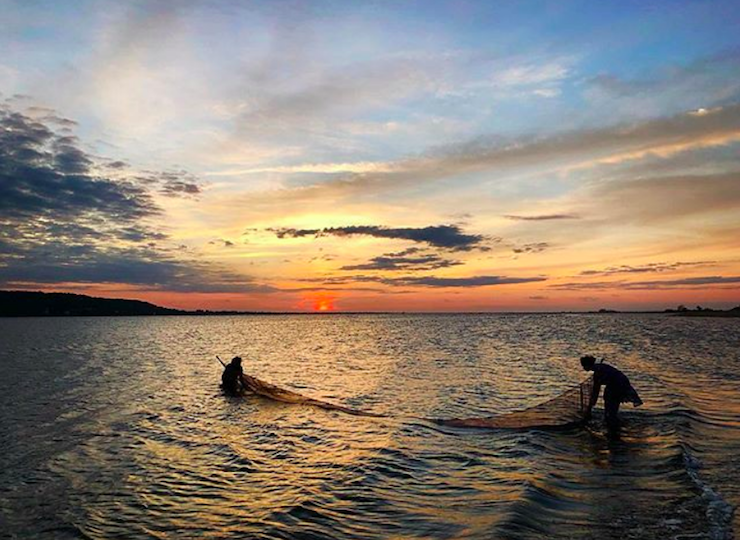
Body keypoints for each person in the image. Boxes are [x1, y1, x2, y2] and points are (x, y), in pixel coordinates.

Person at [581, 355, 642, 430]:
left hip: (617, 386)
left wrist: (591, 403)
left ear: (587, 365)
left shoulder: (598, 371)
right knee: (612, 406)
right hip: (622, 383)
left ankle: (611, 424)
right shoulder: (601, 367)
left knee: (610, 405)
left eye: (583, 365)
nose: (583, 368)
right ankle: (614, 424)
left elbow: (596, 389)